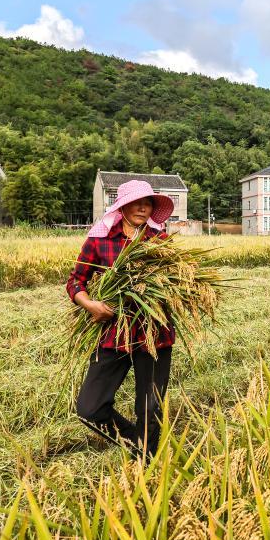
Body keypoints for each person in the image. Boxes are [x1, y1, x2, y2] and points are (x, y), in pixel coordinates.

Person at [66, 180, 176, 460]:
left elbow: (175, 282)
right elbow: (76, 281)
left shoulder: (159, 241)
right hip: (114, 333)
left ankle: (147, 464)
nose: (143, 207)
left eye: (148, 203)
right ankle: (137, 443)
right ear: (122, 207)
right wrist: (91, 305)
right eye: (136, 202)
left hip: (154, 332)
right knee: (90, 409)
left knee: (150, 409)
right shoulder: (100, 239)